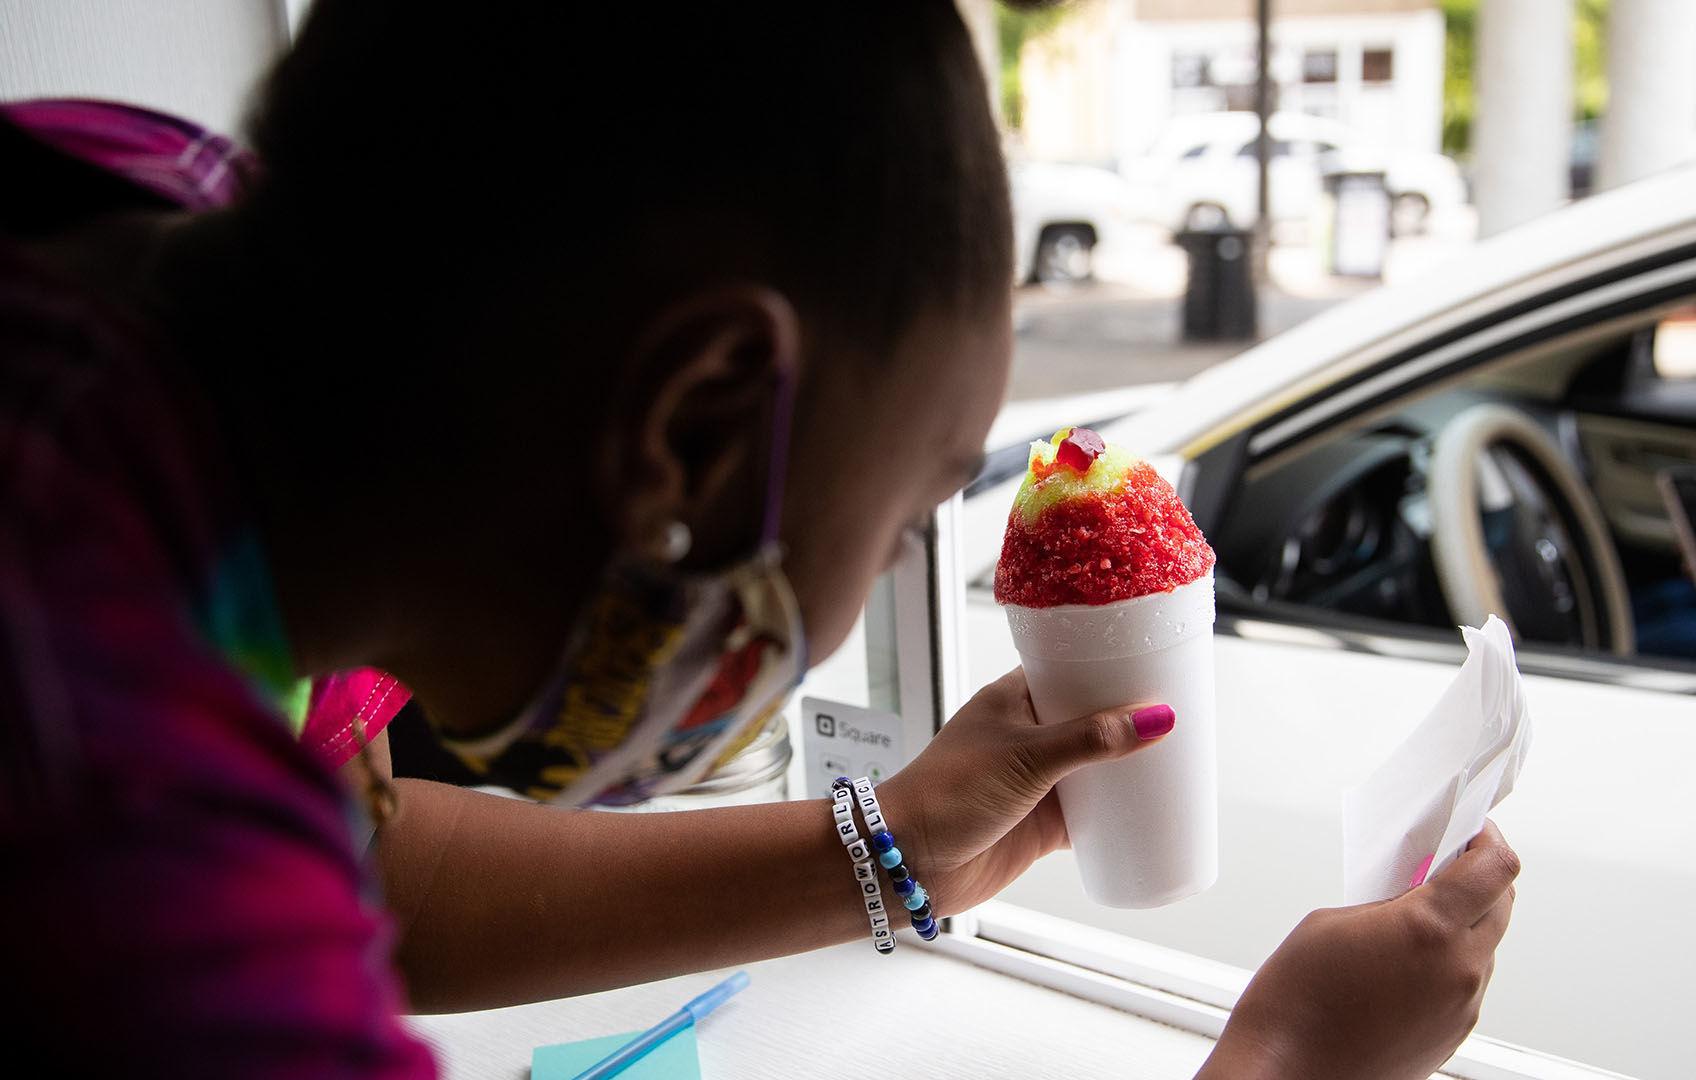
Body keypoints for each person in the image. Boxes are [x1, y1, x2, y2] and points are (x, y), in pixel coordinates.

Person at [0, 4, 1519, 1078]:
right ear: (694, 421)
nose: (878, 577)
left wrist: (888, 846)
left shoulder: (157, 228)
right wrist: (1291, 1060)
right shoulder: (118, 855)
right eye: (907, 505)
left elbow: (360, 866)